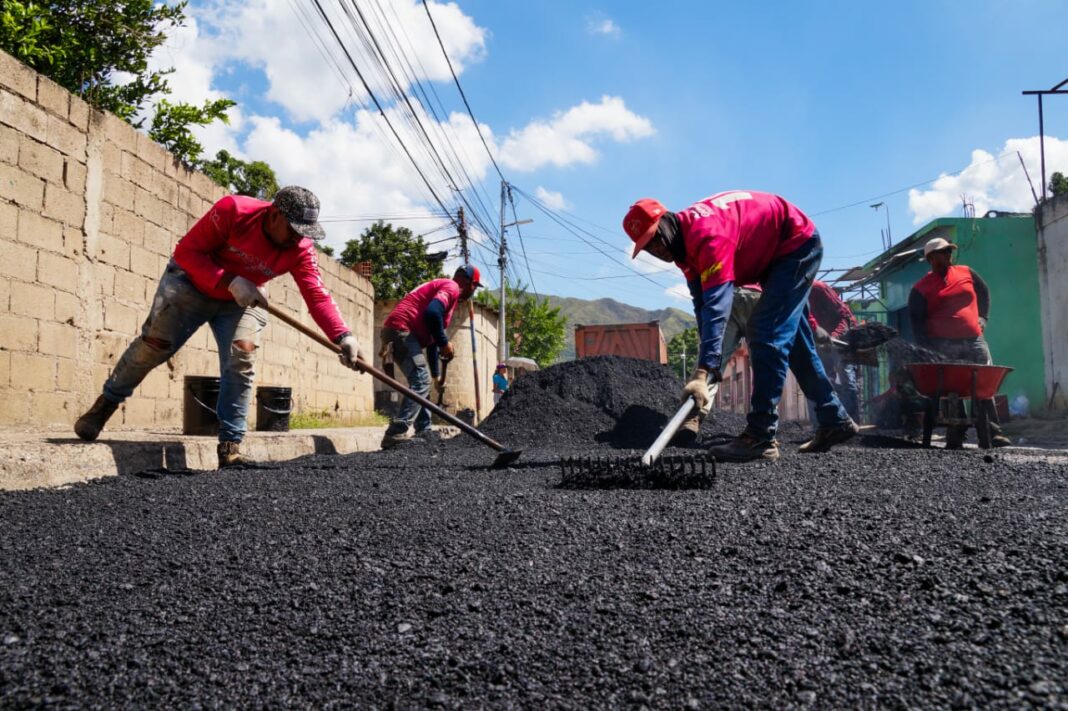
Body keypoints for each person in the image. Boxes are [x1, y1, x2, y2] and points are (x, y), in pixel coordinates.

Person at [73, 187, 366, 467]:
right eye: (293, 229)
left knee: (243, 354)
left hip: (242, 300)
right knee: (154, 346)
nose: (297, 239)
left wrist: (344, 336)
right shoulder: (235, 210)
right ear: (274, 213)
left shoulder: (300, 248)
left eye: (304, 233)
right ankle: (105, 404)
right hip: (190, 283)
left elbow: (316, 295)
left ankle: (230, 446)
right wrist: (229, 280)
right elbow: (187, 252)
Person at [623, 191, 858, 462]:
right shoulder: (684, 252)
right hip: (773, 257)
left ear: (667, 221)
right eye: (648, 247)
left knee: (764, 330)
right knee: (793, 343)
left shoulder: (707, 235)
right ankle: (833, 419)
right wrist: (706, 366)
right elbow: (702, 306)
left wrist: (702, 371)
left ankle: (761, 435)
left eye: (656, 238)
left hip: (795, 244)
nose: (657, 250)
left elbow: (717, 305)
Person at [908, 237, 1010, 448]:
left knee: (983, 385)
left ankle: (991, 433)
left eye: (949, 251)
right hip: (943, 344)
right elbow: (917, 322)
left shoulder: (966, 272)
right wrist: (927, 350)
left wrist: (983, 317)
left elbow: (983, 292)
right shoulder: (921, 288)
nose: (948, 255)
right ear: (931, 258)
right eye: (943, 252)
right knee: (951, 388)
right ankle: (957, 432)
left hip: (974, 340)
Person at [379, 266, 482, 448]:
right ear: (468, 283)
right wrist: (445, 343)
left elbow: (433, 344)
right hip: (401, 330)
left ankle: (424, 430)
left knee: (424, 381)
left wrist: (436, 377)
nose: (474, 291)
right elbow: (432, 314)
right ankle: (396, 432)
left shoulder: (445, 291)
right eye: (475, 286)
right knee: (420, 380)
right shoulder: (451, 287)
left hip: (400, 332)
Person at [673, 283, 762, 444]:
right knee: (765, 366)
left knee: (712, 361)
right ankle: (764, 427)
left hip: (729, 296)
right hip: (758, 298)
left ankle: (692, 419)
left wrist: (707, 339)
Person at [807, 280, 861, 421]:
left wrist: (834, 337)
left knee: (847, 379)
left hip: (841, 338)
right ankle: (822, 424)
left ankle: (852, 422)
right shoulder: (792, 293)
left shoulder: (818, 288)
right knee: (816, 381)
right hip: (819, 341)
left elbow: (844, 316)